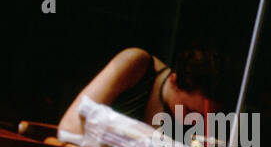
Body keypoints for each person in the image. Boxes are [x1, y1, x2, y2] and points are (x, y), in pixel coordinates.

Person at [57, 46, 231, 137]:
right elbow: (69, 127)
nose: (194, 122)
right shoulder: (137, 64)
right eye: (189, 111)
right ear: (174, 81)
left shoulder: (195, 124)